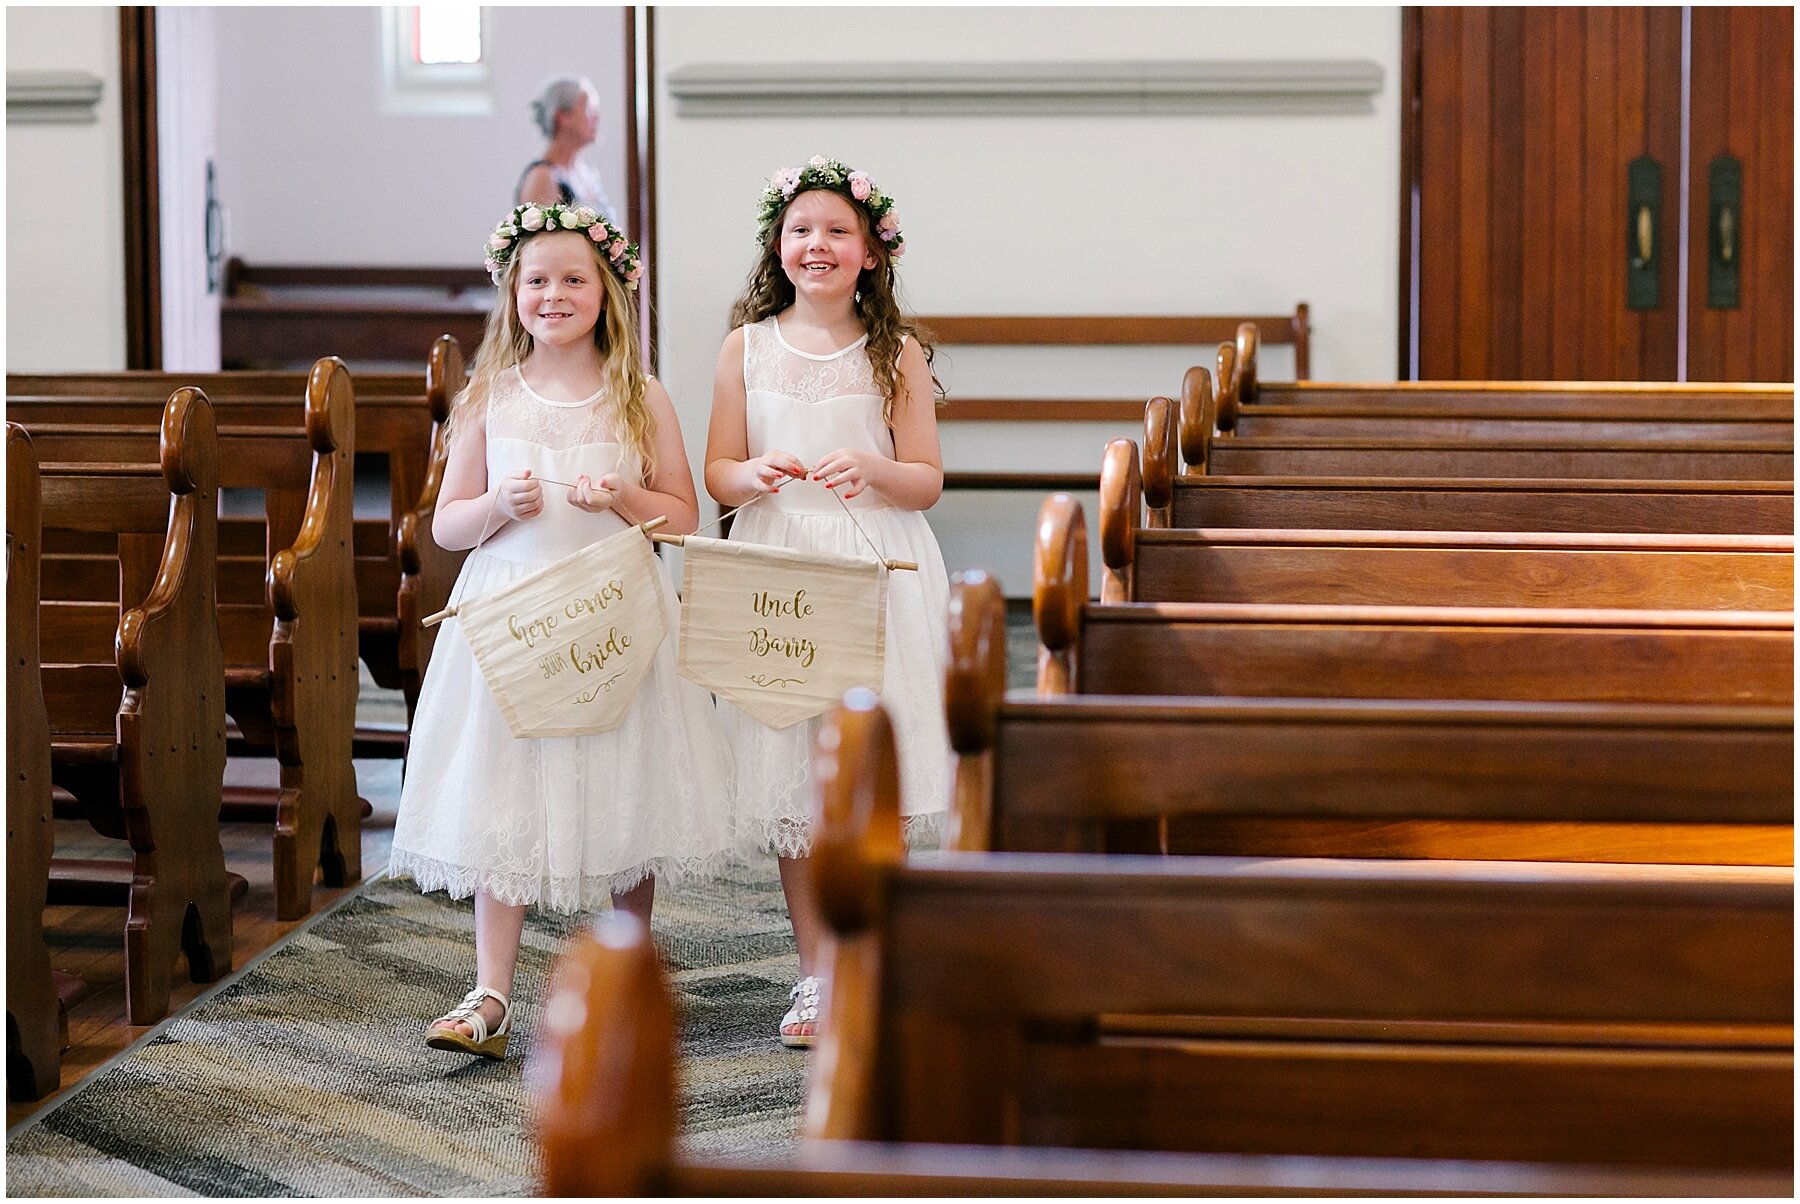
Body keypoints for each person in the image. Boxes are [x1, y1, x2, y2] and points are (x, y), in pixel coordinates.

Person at [390, 202, 732, 1059]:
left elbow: (685, 515)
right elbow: (445, 526)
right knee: (506, 786)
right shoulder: (490, 397)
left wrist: (622, 497)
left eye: (573, 279)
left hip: (615, 615)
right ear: (512, 295)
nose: (554, 295)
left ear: (606, 291)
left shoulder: (638, 394)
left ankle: (628, 972)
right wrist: (496, 507)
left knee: (630, 780)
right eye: (535, 281)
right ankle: (491, 989)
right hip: (509, 615)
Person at [703, 156, 951, 1049]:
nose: (818, 244)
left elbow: (924, 479)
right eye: (802, 229)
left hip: (875, 567)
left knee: (866, 769)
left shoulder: (898, 354)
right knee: (791, 778)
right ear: (779, 245)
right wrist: (750, 475)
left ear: (871, 254)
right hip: (779, 564)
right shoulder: (745, 346)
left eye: (837, 231)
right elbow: (718, 471)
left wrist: (877, 470)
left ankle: (876, 948)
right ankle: (815, 971)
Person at [516, 75, 618, 222]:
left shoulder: (588, 173)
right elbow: (542, 242)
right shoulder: (542, 178)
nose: (597, 117)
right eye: (589, 109)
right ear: (562, 117)